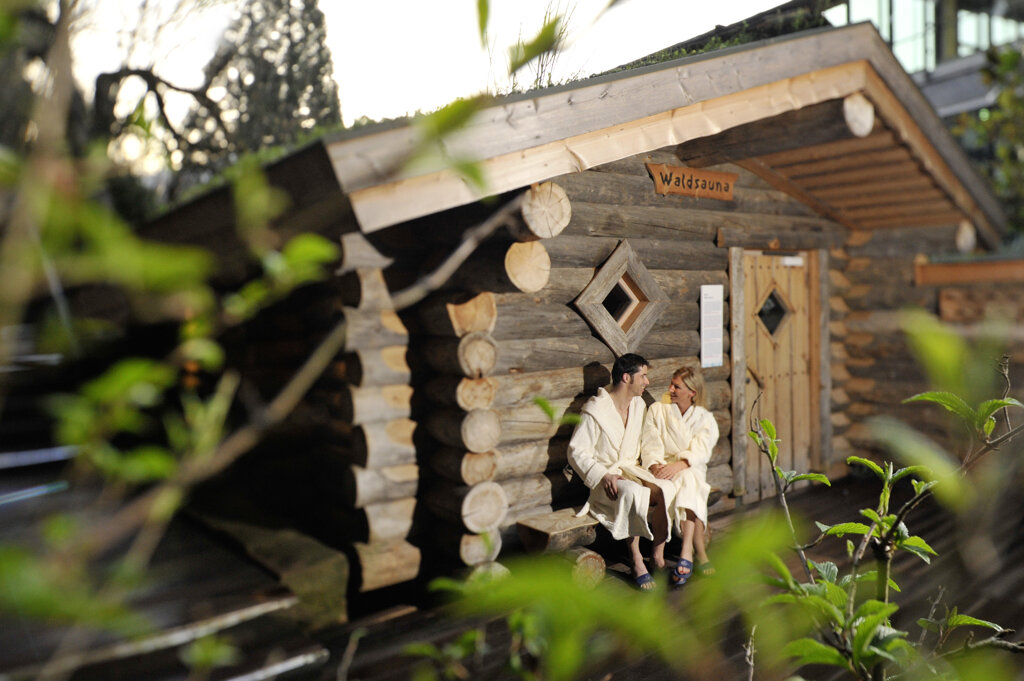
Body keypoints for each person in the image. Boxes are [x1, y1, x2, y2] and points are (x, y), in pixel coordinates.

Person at [567, 353, 669, 590]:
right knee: (633, 492)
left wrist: (654, 464)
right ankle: (635, 558)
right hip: (607, 480)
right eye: (643, 376)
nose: (647, 382)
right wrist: (603, 475)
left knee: (667, 488)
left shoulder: (639, 405)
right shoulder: (595, 410)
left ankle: (657, 554)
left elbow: (649, 439)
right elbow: (576, 451)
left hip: (632, 470)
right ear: (626, 378)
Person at [640, 364, 719, 587]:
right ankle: (694, 553)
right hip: (662, 467)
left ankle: (686, 550)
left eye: (677, 386)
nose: (670, 389)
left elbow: (701, 451)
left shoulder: (704, 418)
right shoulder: (658, 410)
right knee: (688, 484)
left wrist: (682, 464)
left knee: (689, 479)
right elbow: (650, 441)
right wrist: (655, 465)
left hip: (690, 468)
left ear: (692, 392)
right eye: (671, 384)